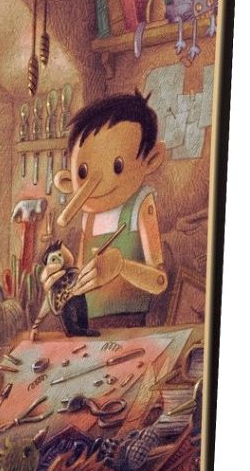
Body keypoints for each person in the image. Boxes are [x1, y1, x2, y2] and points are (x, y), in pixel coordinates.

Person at [44, 90, 168, 328]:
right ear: (68, 180)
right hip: (91, 325)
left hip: (131, 324)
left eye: (117, 166)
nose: (98, 181)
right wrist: (61, 275)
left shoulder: (140, 204)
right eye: (83, 172)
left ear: (151, 160)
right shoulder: (88, 216)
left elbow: (160, 281)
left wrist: (121, 266)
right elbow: (82, 276)